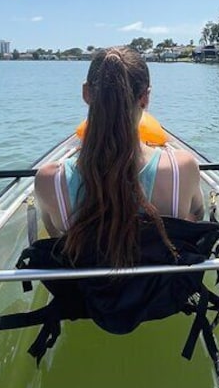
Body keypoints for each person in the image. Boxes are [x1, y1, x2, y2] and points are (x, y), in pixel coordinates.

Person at [34, 46, 205, 267]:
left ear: (86, 93)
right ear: (145, 98)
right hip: (161, 297)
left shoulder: (48, 180)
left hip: (87, 299)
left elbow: (56, 238)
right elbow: (197, 214)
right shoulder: (183, 167)